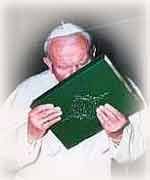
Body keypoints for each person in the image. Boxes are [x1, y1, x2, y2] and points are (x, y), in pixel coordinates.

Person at [0, 23, 146, 180]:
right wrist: (30, 133)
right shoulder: (25, 91)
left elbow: (138, 152)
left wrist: (118, 134)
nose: (76, 73)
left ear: (93, 52)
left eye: (83, 63)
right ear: (48, 63)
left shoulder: (120, 84)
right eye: (64, 66)